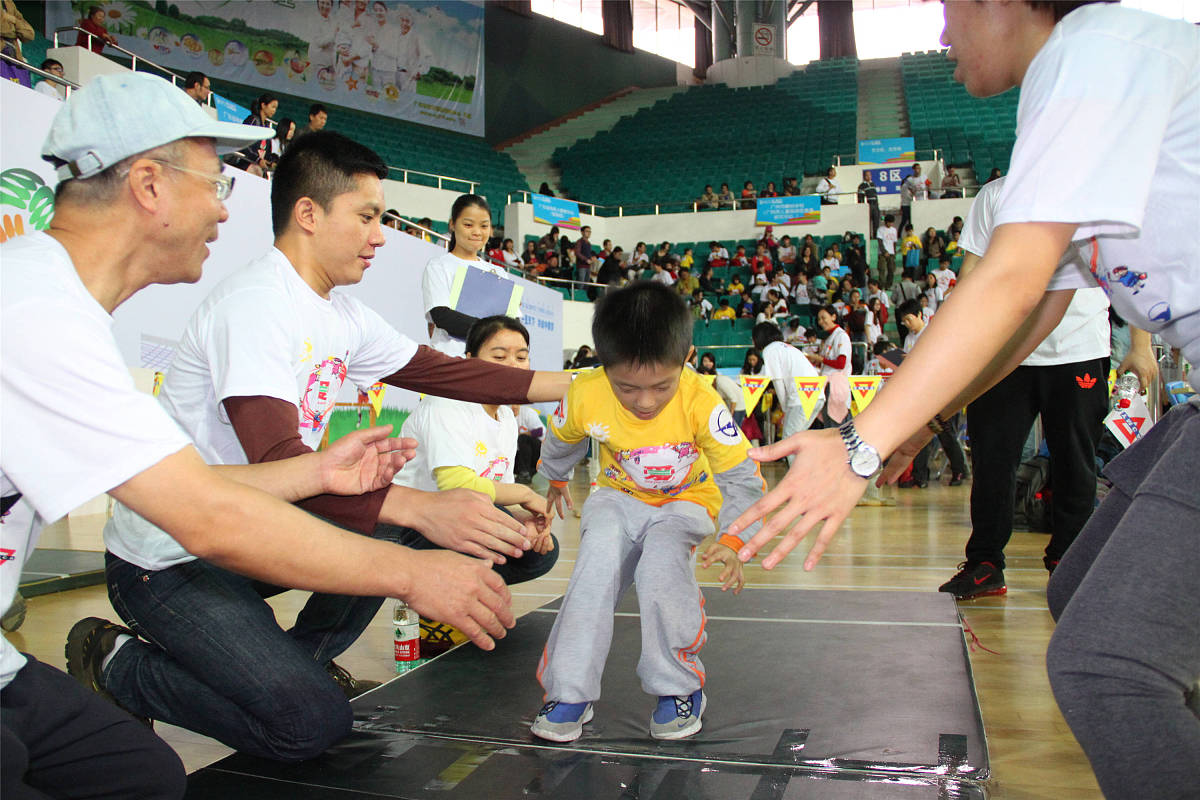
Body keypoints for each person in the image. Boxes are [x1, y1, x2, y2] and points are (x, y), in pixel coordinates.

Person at [727, 5, 1199, 797]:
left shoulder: (1091, 49)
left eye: (949, 10)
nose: (943, 37)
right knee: (1079, 590)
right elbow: (1027, 316)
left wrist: (859, 447)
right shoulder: (1082, 93)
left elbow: (1008, 281)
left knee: (1106, 667)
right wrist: (924, 421)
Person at [1, 71, 436, 799]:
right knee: (301, 723)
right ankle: (144, 666)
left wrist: (319, 473)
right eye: (216, 184)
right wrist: (417, 574)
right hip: (168, 563)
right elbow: (206, 517)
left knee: (144, 775)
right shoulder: (34, 313)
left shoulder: (58, 305)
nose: (224, 210)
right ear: (148, 184)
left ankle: (277, 671)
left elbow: (193, 487)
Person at [92, 129, 572, 762]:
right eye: (368, 217)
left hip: (255, 535)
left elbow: (446, 372)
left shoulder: (341, 313)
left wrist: (587, 385)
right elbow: (279, 464)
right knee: (307, 726)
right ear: (309, 214)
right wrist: (421, 508)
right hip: (171, 560)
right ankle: (119, 665)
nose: (380, 236)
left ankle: (304, 662)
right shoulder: (258, 304)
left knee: (418, 536)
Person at [531, 282, 765, 742]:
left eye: (661, 386)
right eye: (627, 388)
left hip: (686, 502)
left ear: (686, 359)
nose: (645, 402)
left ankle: (678, 686)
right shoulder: (585, 391)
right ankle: (569, 692)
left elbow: (742, 479)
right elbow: (562, 437)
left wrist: (735, 538)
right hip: (616, 498)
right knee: (593, 571)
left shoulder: (701, 401)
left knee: (661, 568)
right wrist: (556, 479)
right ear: (603, 366)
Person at [942, 175, 1137, 598]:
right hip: (1002, 354)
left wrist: (1140, 344)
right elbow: (971, 274)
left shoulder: (1091, 190)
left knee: (1076, 462)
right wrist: (960, 346)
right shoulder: (995, 195)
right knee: (993, 461)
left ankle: (1068, 560)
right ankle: (985, 563)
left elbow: (1129, 269)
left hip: (1079, 349)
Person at [394, 315, 558, 623]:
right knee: (481, 537)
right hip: (410, 523)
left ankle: (450, 595)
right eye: (499, 356)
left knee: (539, 550)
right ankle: (436, 602)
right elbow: (456, 484)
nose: (513, 366)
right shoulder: (448, 403)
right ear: (469, 361)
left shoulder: (506, 417)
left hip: (461, 517)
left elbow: (496, 490)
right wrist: (525, 495)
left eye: (521, 357)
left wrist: (523, 519)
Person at [422, 193, 517, 357]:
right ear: (452, 224)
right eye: (468, 225)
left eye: (484, 226)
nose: (477, 232)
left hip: (491, 361)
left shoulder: (501, 273)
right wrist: (493, 330)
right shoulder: (438, 266)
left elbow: (514, 323)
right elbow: (441, 316)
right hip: (452, 358)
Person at [754, 323, 823, 465]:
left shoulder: (769, 350)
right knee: (797, 439)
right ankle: (808, 471)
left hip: (801, 397)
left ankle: (798, 475)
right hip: (816, 395)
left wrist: (784, 407)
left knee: (789, 440)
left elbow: (777, 381)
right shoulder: (786, 347)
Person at [229, 93, 277, 176]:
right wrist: (257, 159)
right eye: (273, 107)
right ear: (263, 105)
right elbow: (244, 142)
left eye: (276, 108)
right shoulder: (252, 120)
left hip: (258, 170)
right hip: (245, 165)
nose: (274, 110)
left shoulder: (267, 128)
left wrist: (271, 161)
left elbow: (267, 152)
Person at [899, 163, 925, 234]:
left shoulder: (904, 186)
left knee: (906, 221)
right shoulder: (905, 186)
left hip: (905, 204)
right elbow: (908, 195)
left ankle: (904, 233)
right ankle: (901, 234)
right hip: (907, 205)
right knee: (906, 221)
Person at [876, 214, 898, 288]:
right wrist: (884, 251)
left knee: (891, 269)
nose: (891, 224)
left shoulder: (894, 230)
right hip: (882, 253)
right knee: (882, 269)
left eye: (892, 222)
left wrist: (894, 251)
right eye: (889, 222)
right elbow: (880, 242)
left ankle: (888, 285)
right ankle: (881, 285)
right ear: (886, 222)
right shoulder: (880, 229)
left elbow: (894, 242)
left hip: (891, 252)